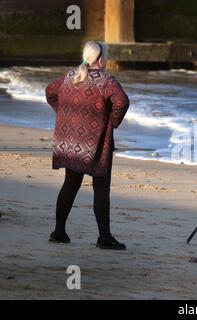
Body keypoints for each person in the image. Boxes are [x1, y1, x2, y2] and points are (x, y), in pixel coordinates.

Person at [45, 41, 129, 250]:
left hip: (70, 141)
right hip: (96, 142)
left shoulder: (70, 76)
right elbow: (122, 102)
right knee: (101, 188)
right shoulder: (106, 81)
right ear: (101, 59)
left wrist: (63, 113)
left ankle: (59, 232)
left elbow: (50, 92)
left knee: (70, 184)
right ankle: (104, 238)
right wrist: (112, 122)